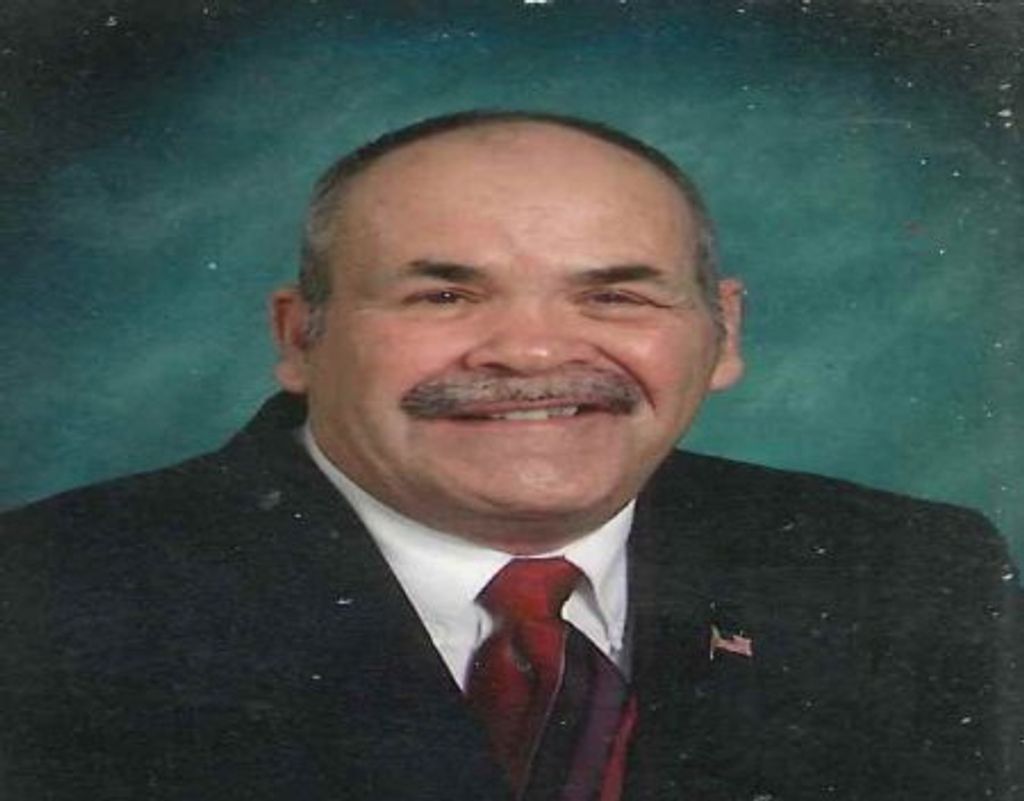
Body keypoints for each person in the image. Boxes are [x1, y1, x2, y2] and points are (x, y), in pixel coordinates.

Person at [1, 110, 1020, 801]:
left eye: (613, 295)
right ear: (300, 335)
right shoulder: (43, 604)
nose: (531, 352)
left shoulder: (908, 572)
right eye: (444, 294)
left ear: (722, 333)